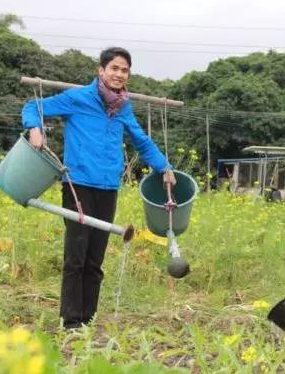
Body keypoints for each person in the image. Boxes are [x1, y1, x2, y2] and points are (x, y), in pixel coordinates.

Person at [22, 47, 176, 329]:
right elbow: (33, 107)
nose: (119, 74)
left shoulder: (123, 107)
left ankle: (87, 320)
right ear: (101, 70)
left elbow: (141, 140)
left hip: (108, 187)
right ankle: (70, 321)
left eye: (125, 70)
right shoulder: (77, 98)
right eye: (114, 68)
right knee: (76, 254)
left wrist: (164, 167)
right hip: (78, 184)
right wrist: (35, 128)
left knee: (95, 257)